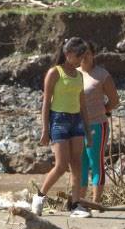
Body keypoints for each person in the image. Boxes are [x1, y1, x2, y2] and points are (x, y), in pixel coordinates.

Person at [32, 37, 91, 218]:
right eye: (78, 56)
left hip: (76, 121)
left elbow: (82, 105)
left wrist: (88, 130)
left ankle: (75, 205)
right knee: (61, 165)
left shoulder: (80, 76)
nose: (81, 60)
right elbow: (46, 102)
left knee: (77, 163)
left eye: (83, 57)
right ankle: (39, 196)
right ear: (68, 54)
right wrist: (45, 130)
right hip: (59, 120)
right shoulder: (55, 72)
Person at [80, 40, 120, 203]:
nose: (84, 57)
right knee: (79, 163)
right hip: (76, 126)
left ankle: (96, 202)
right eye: (81, 53)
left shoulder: (101, 75)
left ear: (93, 54)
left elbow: (114, 100)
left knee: (95, 161)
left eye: (87, 53)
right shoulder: (73, 74)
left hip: (96, 124)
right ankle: (79, 201)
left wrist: (104, 110)